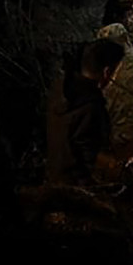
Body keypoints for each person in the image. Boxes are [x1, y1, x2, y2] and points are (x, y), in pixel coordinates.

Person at [45, 46, 109, 186]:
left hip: (57, 180)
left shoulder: (59, 89)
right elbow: (88, 154)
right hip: (78, 190)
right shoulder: (90, 104)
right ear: (106, 72)